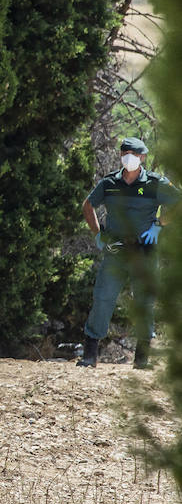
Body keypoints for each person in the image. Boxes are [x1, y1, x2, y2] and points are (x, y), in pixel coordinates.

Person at [80, 137, 178, 369]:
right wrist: (98, 234)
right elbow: (88, 205)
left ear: (142, 157)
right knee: (103, 298)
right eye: (125, 152)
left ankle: (141, 359)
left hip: (144, 252)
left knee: (144, 302)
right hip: (116, 250)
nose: (129, 157)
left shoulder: (155, 183)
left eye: (134, 154)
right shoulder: (109, 183)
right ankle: (89, 354)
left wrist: (159, 225)